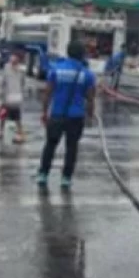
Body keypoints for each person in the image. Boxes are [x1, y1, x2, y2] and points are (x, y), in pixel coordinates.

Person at [37, 40, 96, 190]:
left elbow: (47, 94)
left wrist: (44, 112)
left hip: (57, 114)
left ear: (68, 52)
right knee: (72, 148)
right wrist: (90, 115)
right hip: (76, 117)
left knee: (50, 145)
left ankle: (43, 174)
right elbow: (90, 98)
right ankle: (66, 178)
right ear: (82, 54)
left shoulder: (56, 70)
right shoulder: (87, 74)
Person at [0, 51, 27, 143]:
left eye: (15, 58)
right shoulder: (7, 67)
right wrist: (2, 92)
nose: (13, 59)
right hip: (7, 95)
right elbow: (3, 81)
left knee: (17, 117)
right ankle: (0, 132)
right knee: (3, 114)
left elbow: (22, 83)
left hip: (16, 96)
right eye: (12, 57)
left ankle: (20, 134)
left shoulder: (21, 70)